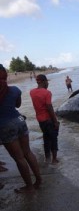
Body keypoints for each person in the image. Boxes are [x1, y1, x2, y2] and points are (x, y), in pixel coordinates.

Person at [0, 64, 42, 193]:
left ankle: (29, 187)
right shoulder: (15, 90)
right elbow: (17, 105)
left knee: (19, 158)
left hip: (5, 125)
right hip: (19, 120)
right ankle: (39, 180)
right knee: (27, 152)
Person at [30, 74, 60, 164]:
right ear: (44, 81)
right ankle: (54, 159)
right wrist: (55, 121)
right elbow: (49, 107)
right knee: (54, 138)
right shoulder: (47, 93)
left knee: (46, 138)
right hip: (48, 119)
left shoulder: (32, 92)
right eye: (47, 82)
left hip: (40, 120)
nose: (48, 83)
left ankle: (47, 158)